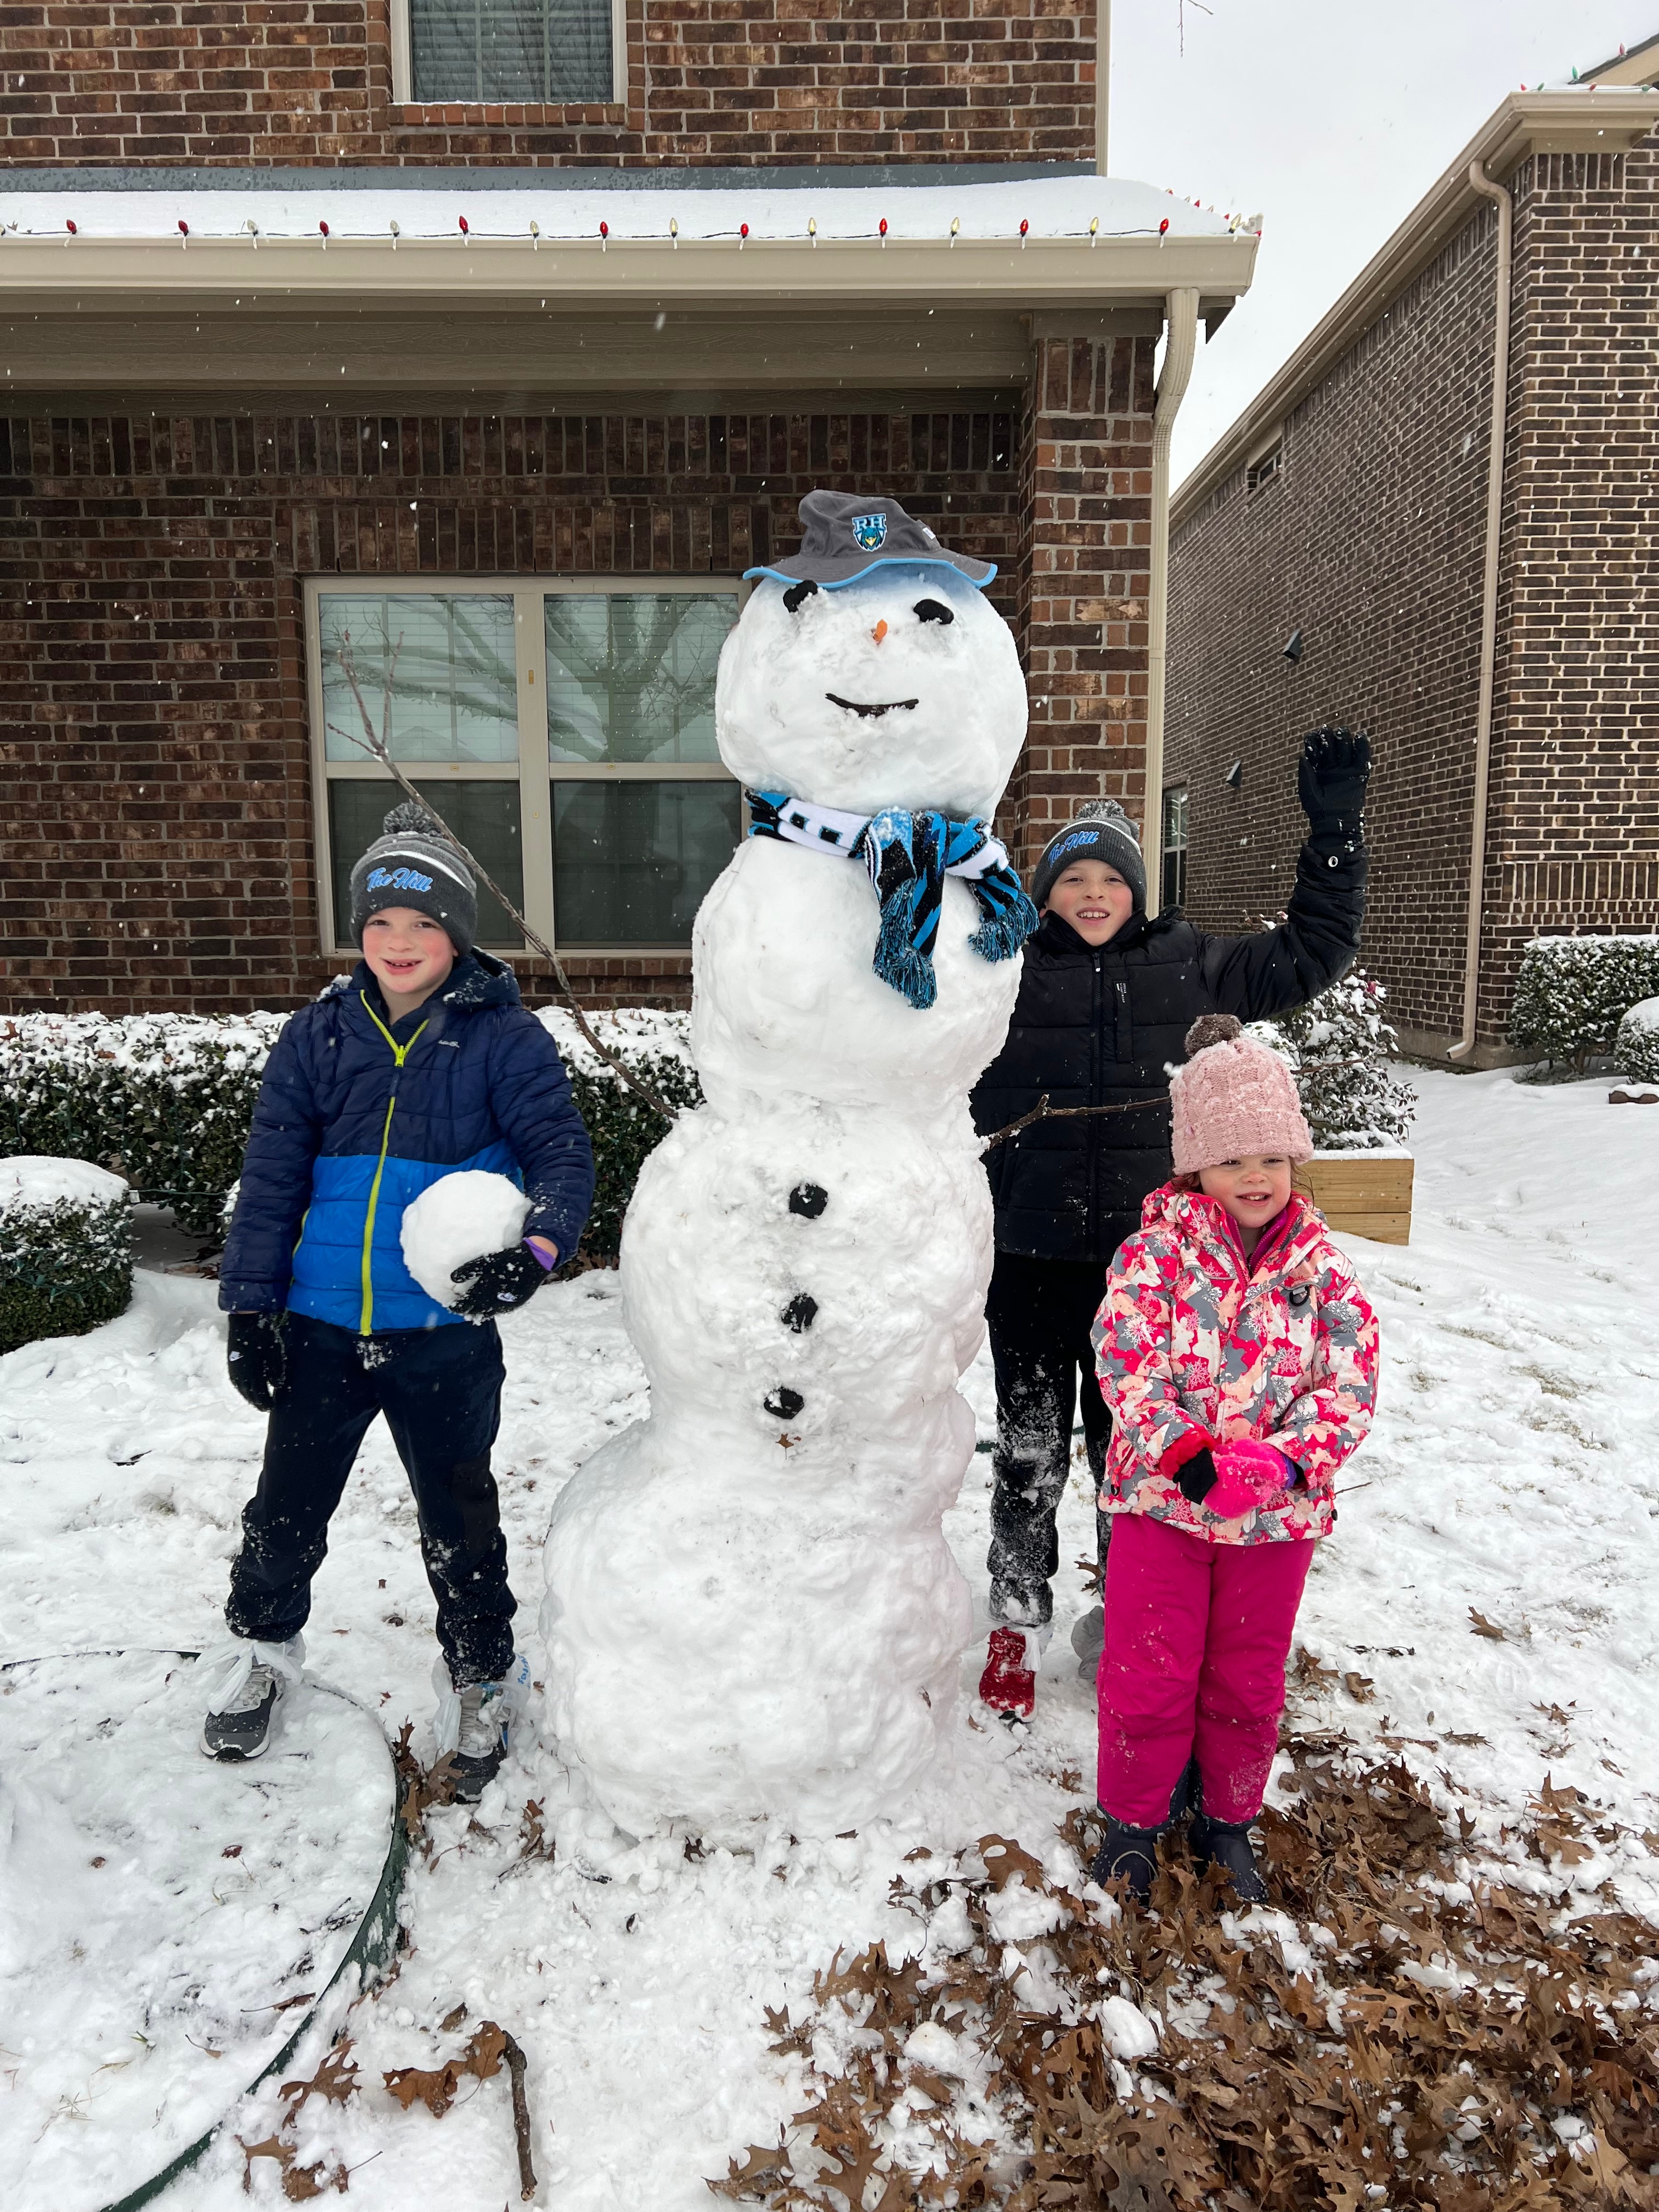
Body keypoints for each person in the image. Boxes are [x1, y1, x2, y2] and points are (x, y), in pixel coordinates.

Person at [969, 727, 1370, 1719]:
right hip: (1026, 1260)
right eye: (1073, 880)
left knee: (1135, 1459)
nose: (1094, 895)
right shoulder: (1003, 975)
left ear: (1139, 891)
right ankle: (1017, 1621)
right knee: (1026, 1451)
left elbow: (1316, 951)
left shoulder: (1195, 965)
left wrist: (1333, 832)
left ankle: (1124, 1613)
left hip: (1159, 1280)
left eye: (1112, 877)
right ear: (1045, 893)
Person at [203, 801, 595, 1799]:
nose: (399, 943)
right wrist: (252, 1306)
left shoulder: (505, 1041)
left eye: (422, 926)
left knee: (461, 1520)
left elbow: (562, 1155)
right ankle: (262, 1653)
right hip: (323, 1323)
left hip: (440, 1332)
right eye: (380, 922)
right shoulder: (319, 1036)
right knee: (284, 1511)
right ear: (360, 932)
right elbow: (273, 1172)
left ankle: (481, 1679)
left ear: (456, 936)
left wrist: (536, 1251)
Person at [1088, 1013, 1379, 1904]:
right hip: (1163, 1505)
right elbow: (1125, 1357)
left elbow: (1351, 1379)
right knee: (1151, 1666)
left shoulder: (1321, 1269)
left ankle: (1229, 1816)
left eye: (1271, 1158)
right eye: (1232, 1160)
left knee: (1247, 1676)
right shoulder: (1155, 1255)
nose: (1255, 1178)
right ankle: (1136, 1817)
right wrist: (1187, 1456)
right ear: (1194, 1169)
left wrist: (1290, 1462)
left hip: (1277, 1518)